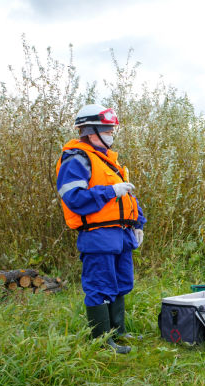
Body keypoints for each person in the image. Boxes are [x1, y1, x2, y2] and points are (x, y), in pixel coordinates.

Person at [55, 104, 146, 354]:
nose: (111, 133)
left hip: (121, 236)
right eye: (106, 128)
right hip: (98, 236)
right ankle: (102, 342)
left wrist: (139, 223)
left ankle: (118, 332)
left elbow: (128, 198)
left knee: (121, 283)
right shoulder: (77, 158)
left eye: (112, 128)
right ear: (89, 130)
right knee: (100, 286)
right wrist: (109, 191)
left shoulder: (109, 162)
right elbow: (73, 197)